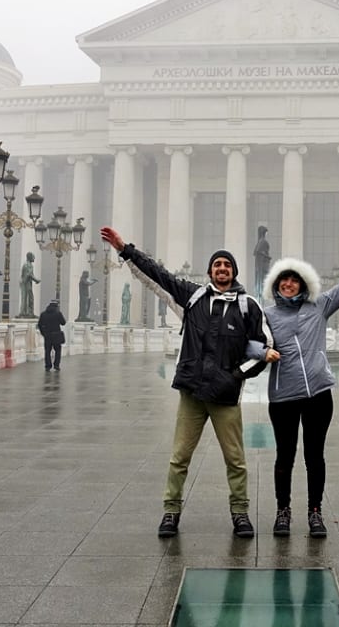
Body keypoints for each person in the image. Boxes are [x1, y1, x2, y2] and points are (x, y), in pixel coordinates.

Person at [99, 226, 272, 539]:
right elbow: (158, 275)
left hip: (225, 397)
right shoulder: (193, 297)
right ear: (210, 272)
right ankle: (171, 511)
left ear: (234, 272)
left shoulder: (248, 306)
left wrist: (235, 377)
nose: (222, 268)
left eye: (227, 265)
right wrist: (125, 250)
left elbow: (263, 348)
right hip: (192, 392)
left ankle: (240, 513)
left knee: (235, 460)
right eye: (217, 264)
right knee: (179, 457)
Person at [260, 239, 339, 538]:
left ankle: (315, 511)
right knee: (284, 457)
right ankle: (283, 511)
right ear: (276, 285)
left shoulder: (320, 306)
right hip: (283, 396)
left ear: (303, 284)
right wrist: (262, 352)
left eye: (294, 280)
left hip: (318, 395)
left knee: (315, 456)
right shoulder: (267, 315)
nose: (288, 284)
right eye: (283, 280)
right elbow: (249, 342)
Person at [37, 299, 66, 371]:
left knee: (47, 351)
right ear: (56, 306)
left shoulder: (43, 314)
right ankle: (56, 365)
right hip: (56, 335)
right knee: (58, 351)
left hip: (47, 335)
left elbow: (39, 325)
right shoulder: (58, 313)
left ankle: (48, 366)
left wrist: (43, 333)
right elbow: (63, 323)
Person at [18, 252, 40, 317]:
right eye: (33, 257)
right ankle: (28, 313)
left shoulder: (26, 264)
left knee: (24, 297)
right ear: (30, 257)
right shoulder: (29, 265)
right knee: (29, 298)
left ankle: (24, 312)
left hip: (24, 282)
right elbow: (30, 274)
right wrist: (36, 280)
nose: (34, 259)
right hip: (26, 283)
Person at [253, 225, 271, 296]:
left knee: (261, 280)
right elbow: (256, 252)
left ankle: (260, 294)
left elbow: (256, 252)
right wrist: (266, 256)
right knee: (262, 280)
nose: (267, 234)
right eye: (266, 232)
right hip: (263, 265)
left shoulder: (260, 241)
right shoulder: (263, 241)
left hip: (261, 265)